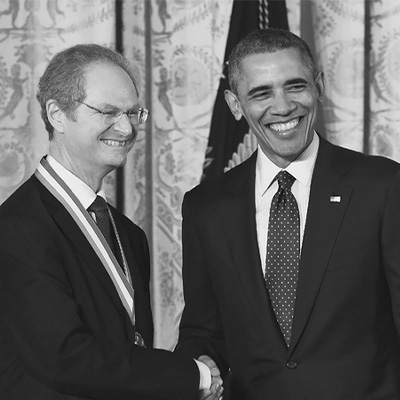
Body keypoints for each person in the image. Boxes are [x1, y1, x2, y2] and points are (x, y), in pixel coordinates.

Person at [175, 28, 400, 399]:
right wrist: (199, 365)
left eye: (295, 86)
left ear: (320, 86)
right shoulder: (206, 206)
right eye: (261, 93)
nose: (282, 107)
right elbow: (203, 331)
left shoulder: (383, 186)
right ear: (234, 104)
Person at [0, 44, 223, 400]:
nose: (126, 127)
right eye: (107, 112)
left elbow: (128, 352)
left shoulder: (130, 235)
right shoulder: (15, 228)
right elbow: (64, 358)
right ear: (57, 114)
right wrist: (191, 374)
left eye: (134, 112)